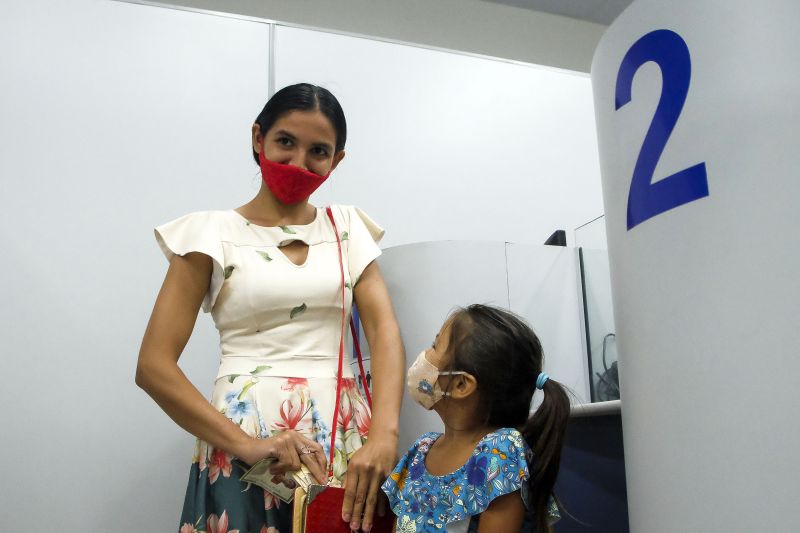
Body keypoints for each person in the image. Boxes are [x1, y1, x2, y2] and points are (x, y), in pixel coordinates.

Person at [136, 83, 404, 533]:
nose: (299, 162)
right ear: (258, 139)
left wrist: (385, 436)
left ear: (336, 160)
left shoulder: (348, 230)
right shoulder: (208, 234)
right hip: (246, 442)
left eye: (318, 150)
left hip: (344, 439)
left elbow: (385, 334)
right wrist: (246, 444)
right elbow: (153, 366)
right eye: (285, 142)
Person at [382, 305, 568, 532]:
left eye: (435, 345)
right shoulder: (419, 451)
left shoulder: (500, 450)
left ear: (461, 384)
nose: (425, 355)